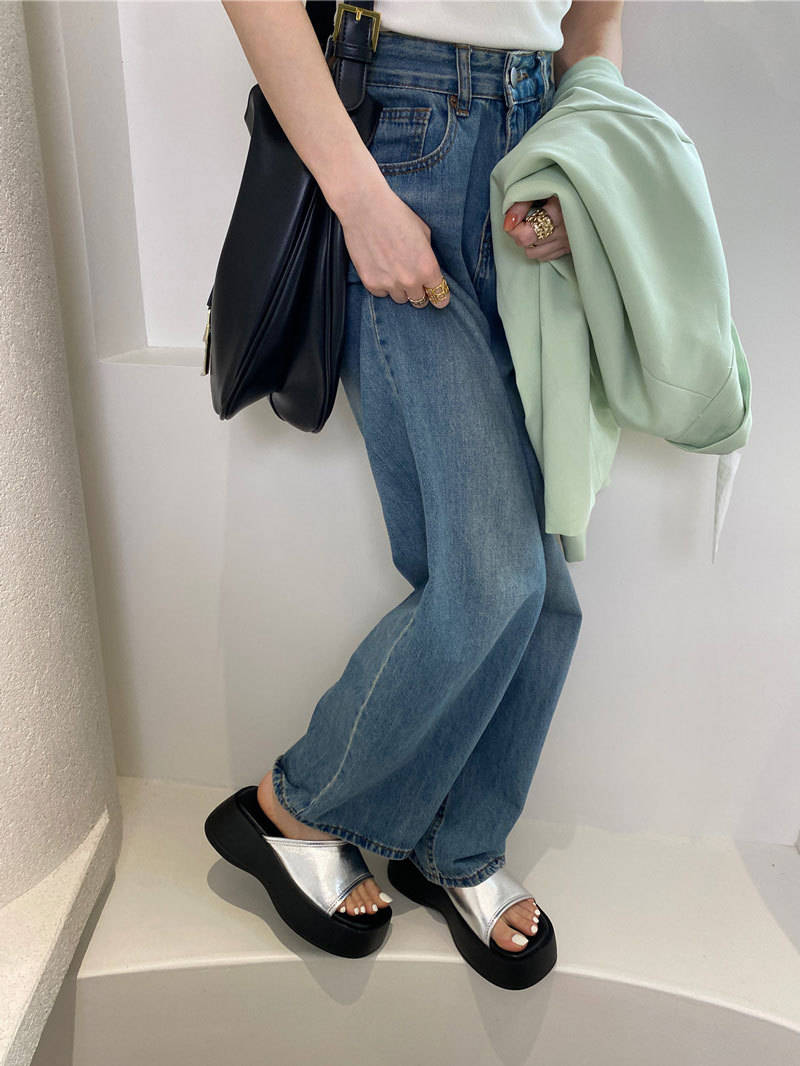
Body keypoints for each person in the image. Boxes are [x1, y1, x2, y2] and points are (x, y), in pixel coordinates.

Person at [214, 0, 623, 984]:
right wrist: (358, 198)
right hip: (401, 145)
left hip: (531, 162)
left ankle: (454, 843)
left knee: (542, 597)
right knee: (494, 578)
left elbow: (592, 22)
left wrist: (583, 173)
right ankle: (295, 806)